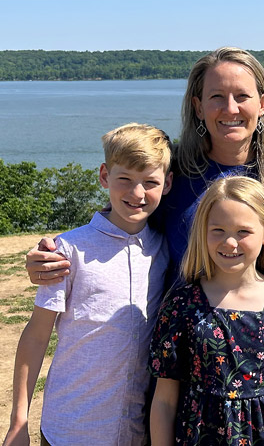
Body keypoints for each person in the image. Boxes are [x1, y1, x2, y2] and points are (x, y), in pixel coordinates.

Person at [24, 47, 264, 445]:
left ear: (262, 103)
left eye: (241, 96)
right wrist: (54, 254)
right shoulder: (178, 176)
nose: (230, 108)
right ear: (197, 106)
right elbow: (125, 215)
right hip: (196, 366)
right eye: (216, 97)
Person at [4, 123, 173, 446]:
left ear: (167, 184)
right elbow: (36, 336)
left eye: (150, 182)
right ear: (104, 176)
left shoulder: (164, 250)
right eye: (125, 179)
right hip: (69, 429)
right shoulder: (67, 251)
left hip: (135, 432)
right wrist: (19, 421)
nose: (137, 193)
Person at [149, 176, 264, 446]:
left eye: (243, 231)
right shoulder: (181, 305)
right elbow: (164, 400)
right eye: (218, 230)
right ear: (202, 232)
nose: (230, 243)